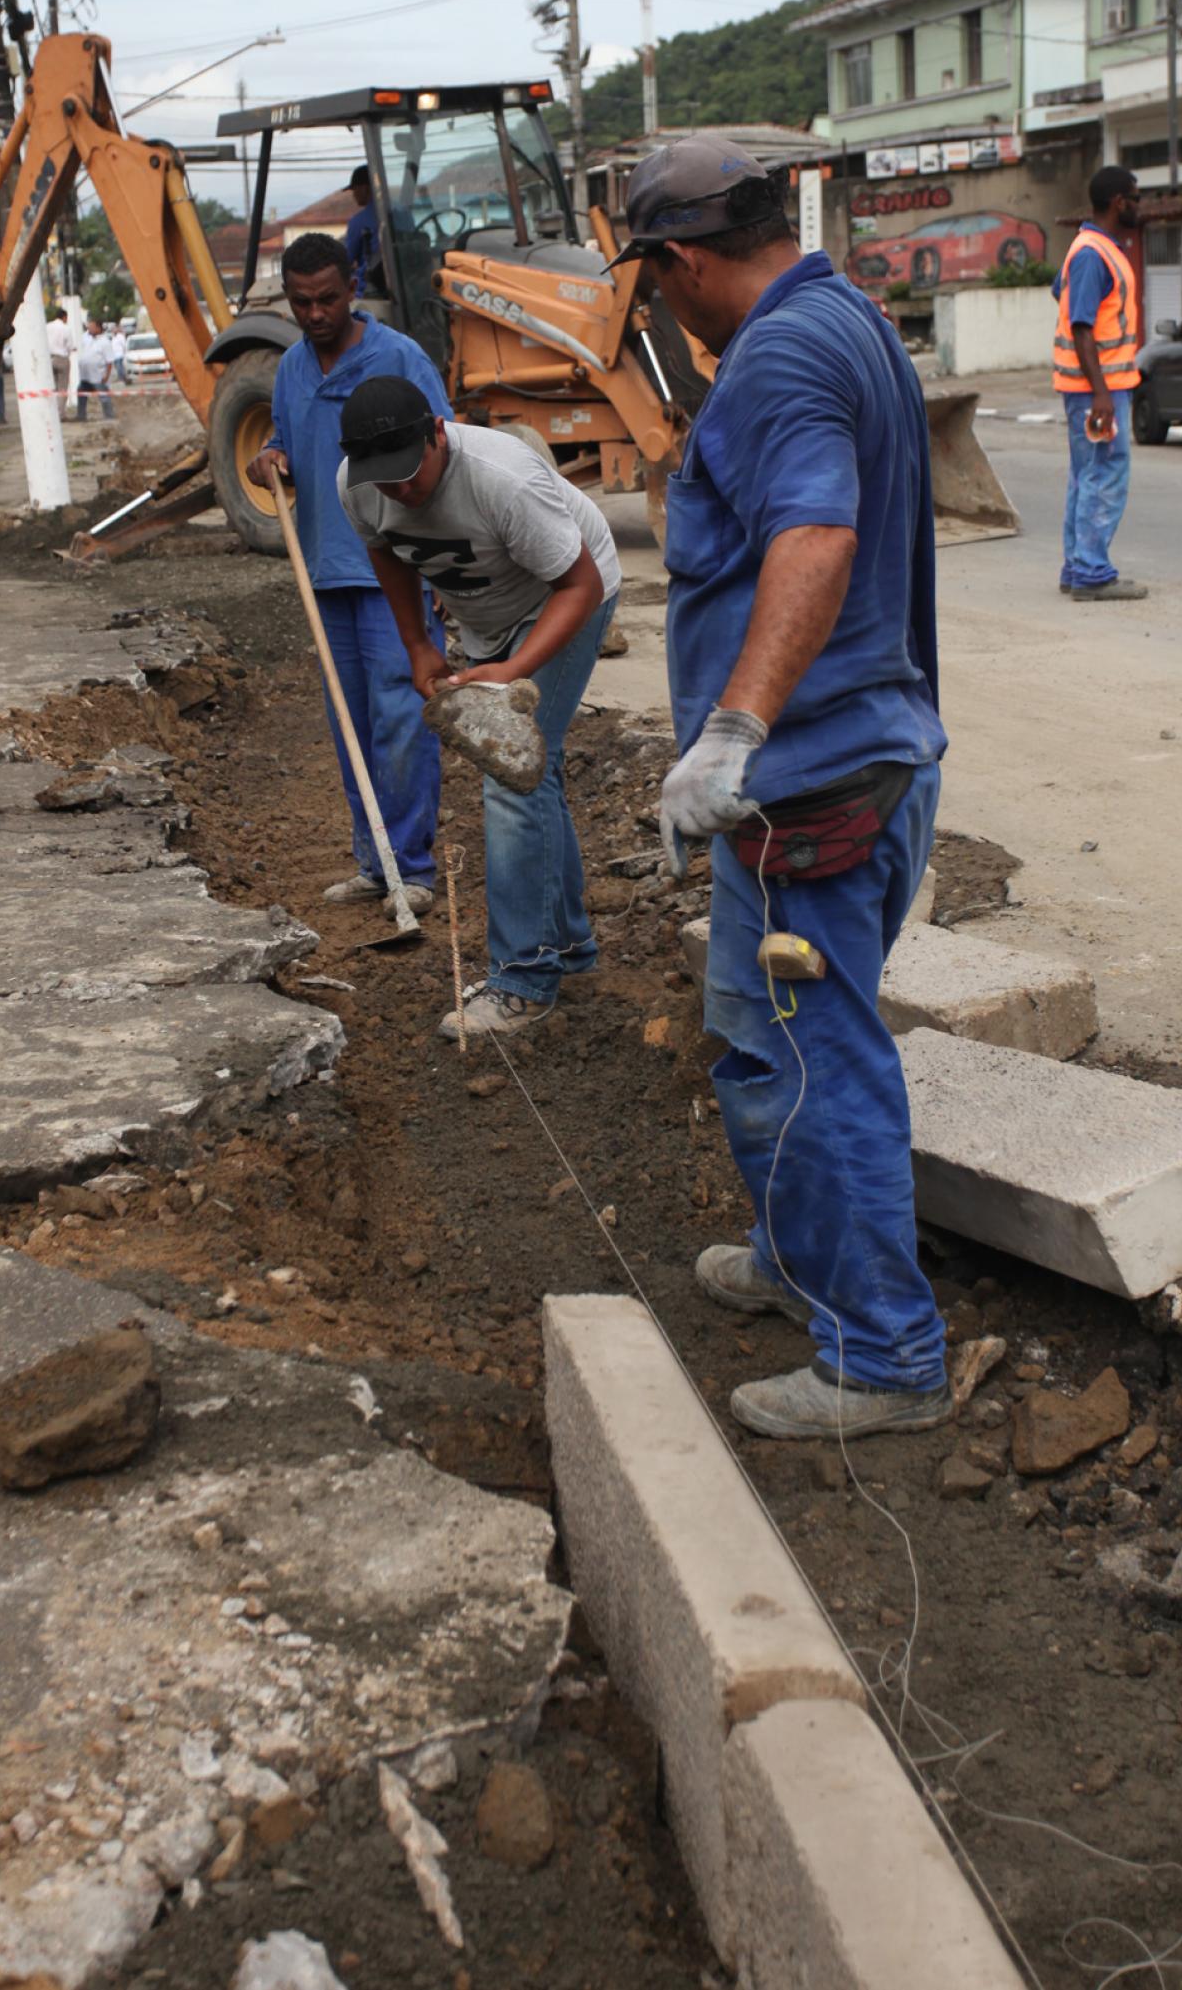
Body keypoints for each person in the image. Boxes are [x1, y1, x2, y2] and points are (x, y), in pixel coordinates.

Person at [613, 134, 948, 1443]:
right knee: (764, 1044)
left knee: (818, 1064)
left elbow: (816, 534)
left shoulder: (786, 354)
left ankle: (885, 1355)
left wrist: (734, 732)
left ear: (683, 261)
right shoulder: (847, 316)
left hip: (809, 791)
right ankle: (797, 1255)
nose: (656, 301)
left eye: (654, 279)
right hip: (847, 770)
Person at [338, 378, 621, 1038]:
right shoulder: (358, 483)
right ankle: (571, 947)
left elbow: (581, 583)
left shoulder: (503, 478)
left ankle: (524, 979)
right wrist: (417, 643)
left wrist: (513, 672)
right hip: (487, 620)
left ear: (438, 432)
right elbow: (386, 548)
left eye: (411, 474)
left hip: (566, 597)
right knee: (533, 774)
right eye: (386, 482)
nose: (402, 492)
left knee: (510, 772)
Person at [250, 235, 452, 919]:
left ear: (353, 284)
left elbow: (445, 451)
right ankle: (375, 861)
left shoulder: (398, 359)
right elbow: (282, 438)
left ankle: (413, 866)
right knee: (351, 722)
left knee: (402, 718)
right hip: (326, 575)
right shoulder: (289, 370)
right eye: (301, 302)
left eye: (328, 299)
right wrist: (270, 459)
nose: (314, 314)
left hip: (396, 569)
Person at [1052, 164, 1146, 601]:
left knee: (1086, 474)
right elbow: (1082, 325)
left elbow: (1062, 292)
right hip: (1097, 392)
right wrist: (1103, 393)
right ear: (1118, 202)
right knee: (1104, 473)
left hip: (1090, 389)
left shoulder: (1090, 248)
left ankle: (1077, 567)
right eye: (1135, 197)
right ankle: (1090, 571)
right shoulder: (1093, 252)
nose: (1139, 205)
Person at [344, 165, 384, 298]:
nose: (354, 195)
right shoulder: (402, 213)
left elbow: (345, 261)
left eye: (354, 189)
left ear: (365, 188)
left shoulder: (358, 221)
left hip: (371, 289)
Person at [75, 316, 116, 421]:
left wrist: (106, 376)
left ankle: (109, 416)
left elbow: (109, 361)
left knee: (104, 397)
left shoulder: (105, 342)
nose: (89, 329)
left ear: (98, 328)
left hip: (98, 376)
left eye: (92, 327)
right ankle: (81, 416)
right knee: (81, 394)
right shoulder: (87, 339)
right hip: (85, 376)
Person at [45, 308, 72, 410]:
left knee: (53, 387)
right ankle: (60, 413)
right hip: (62, 359)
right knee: (62, 388)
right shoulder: (66, 328)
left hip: (49, 359)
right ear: (64, 317)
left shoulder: (47, 327)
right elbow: (70, 346)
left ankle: (52, 411)